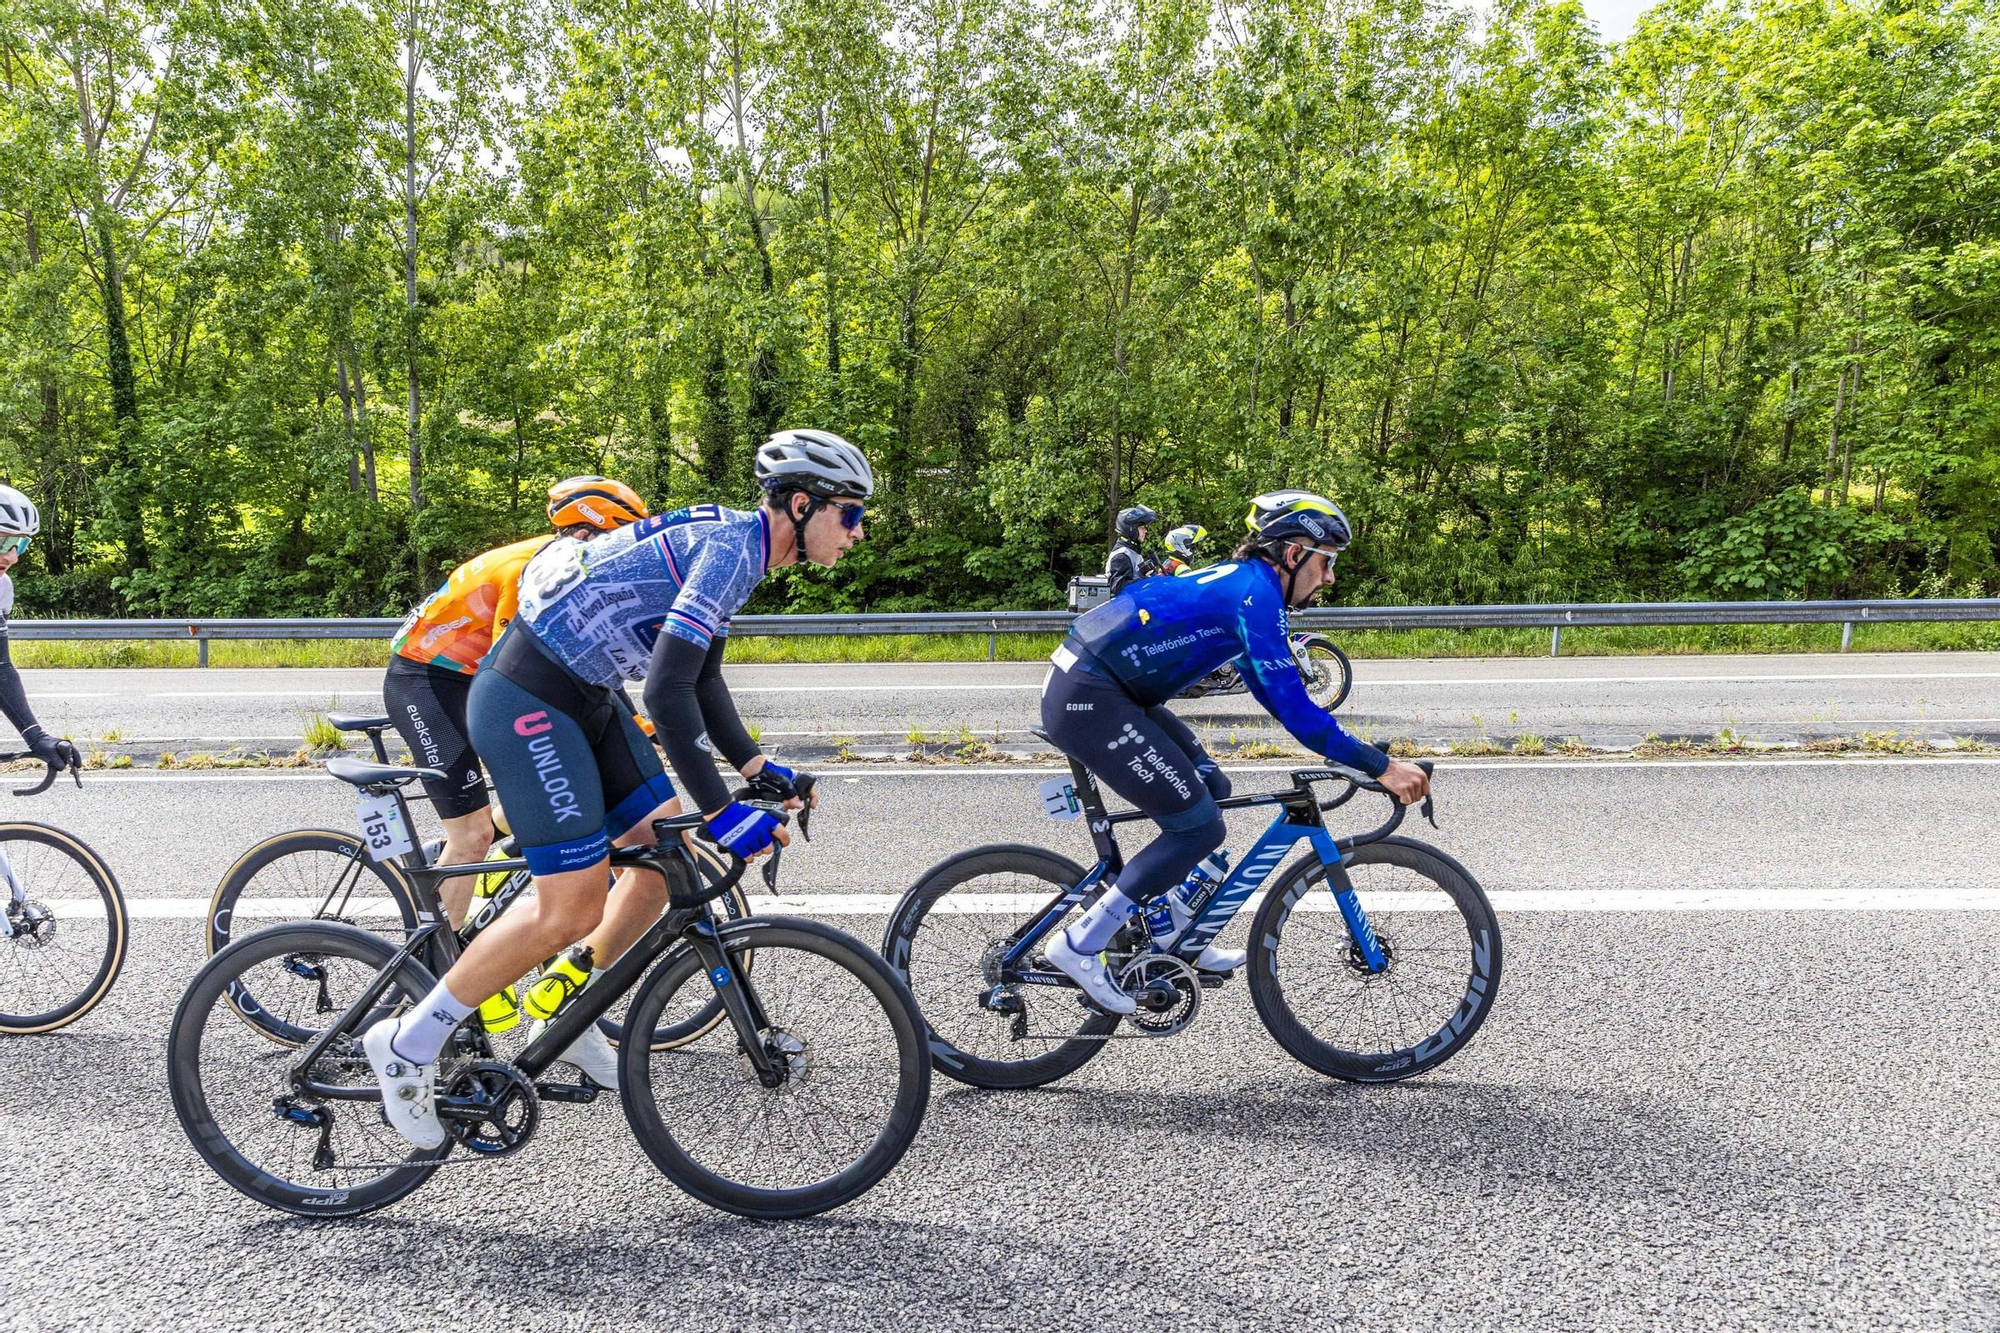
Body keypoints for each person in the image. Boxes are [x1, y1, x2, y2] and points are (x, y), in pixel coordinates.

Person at [364, 429, 872, 1148]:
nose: (857, 533)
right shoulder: (731, 549)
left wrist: (757, 768)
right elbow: (664, 694)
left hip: (585, 695)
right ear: (800, 504)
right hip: (528, 696)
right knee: (570, 903)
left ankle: (561, 1007)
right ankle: (410, 1040)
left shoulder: (740, 549)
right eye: (850, 515)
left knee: (666, 867)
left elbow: (702, 678)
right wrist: (724, 811)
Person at [1038, 489, 1429, 1014]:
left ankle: (1171, 922)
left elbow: (1277, 697)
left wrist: (1360, 756)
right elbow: (1299, 715)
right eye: (1327, 563)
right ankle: (1081, 943)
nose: (1330, 578)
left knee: (1213, 787)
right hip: (1091, 696)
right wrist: (1379, 766)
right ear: (1295, 555)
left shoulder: (1248, 589)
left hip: (1105, 690)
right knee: (1198, 828)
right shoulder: (1256, 598)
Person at [383, 477, 649, 931]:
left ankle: (499, 852)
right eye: (613, 543)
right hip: (427, 678)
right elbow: (520, 666)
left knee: (552, 775)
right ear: (585, 535)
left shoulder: (564, 567)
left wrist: (636, 723)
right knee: (471, 835)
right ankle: (432, 966)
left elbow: (583, 658)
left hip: (475, 678)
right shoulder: (533, 571)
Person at [0, 486, 79, 778]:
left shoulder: (1, 586)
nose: (12, 556)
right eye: (3, 540)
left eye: (19, 544)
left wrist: (35, 736)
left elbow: (1, 668)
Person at [1104, 505, 1159, 594]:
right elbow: (1118, 589)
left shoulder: (1133, 551)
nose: (1145, 531)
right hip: (1121, 607)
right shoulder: (1122, 556)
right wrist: (1141, 578)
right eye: (1142, 527)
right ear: (1131, 529)